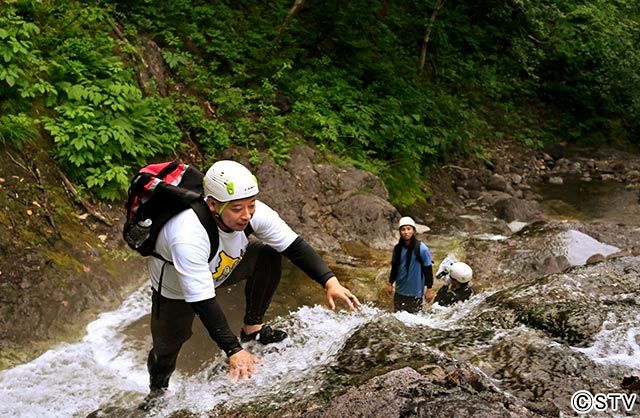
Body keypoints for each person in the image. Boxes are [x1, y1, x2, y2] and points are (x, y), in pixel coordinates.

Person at [141, 160, 361, 408]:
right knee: (167, 346)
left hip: (224, 267)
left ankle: (253, 328)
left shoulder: (252, 212)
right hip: (176, 289)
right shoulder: (187, 234)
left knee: (267, 253)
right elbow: (202, 300)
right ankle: (157, 390)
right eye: (237, 209)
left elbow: (293, 246)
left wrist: (329, 281)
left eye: (251, 205)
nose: (246, 215)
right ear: (212, 204)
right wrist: (233, 350)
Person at [386, 216, 434, 313]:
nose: (406, 232)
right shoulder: (397, 249)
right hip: (400, 291)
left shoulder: (422, 249)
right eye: (403, 229)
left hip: (415, 293)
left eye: (409, 229)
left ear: (413, 231)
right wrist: (390, 284)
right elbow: (394, 267)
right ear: (400, 232)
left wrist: (429, 289)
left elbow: (428, 269)